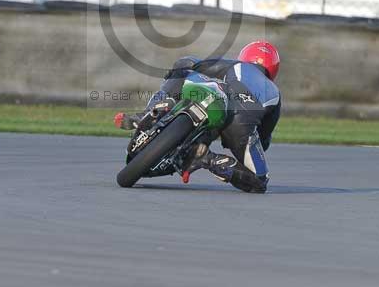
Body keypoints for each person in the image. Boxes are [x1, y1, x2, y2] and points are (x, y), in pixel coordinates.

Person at [115, 40, 281, 194]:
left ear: (245, 56)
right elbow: (264, 138)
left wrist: (171, 76)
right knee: (260, 181)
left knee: (183, 70)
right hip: (240, 125)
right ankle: (208, 158)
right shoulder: (274, 92)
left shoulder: (237, 65)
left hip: (219, 98)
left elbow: (191, 64)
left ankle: (150, 112)